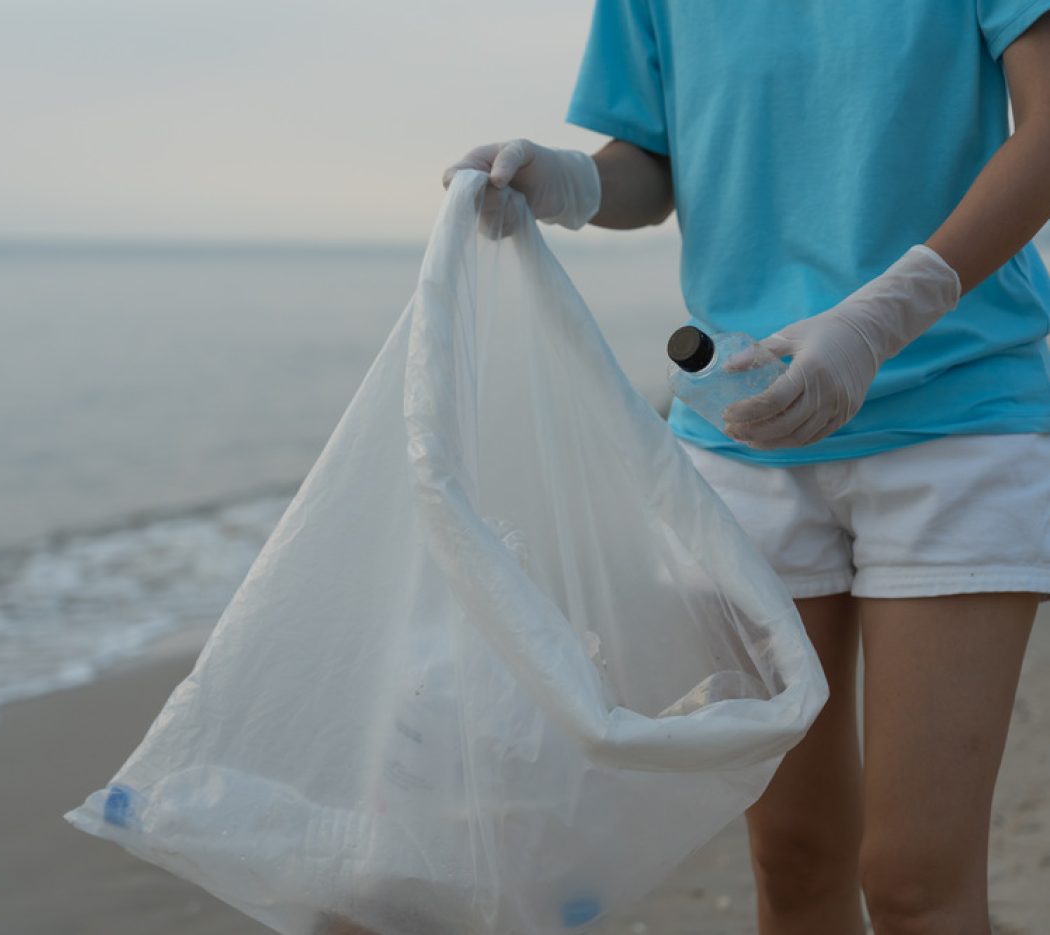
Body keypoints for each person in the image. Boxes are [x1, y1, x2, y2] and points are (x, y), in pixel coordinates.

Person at [445, 4, 1050, 935]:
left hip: (955, 419)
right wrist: (569, 180)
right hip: (745, 431)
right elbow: (656, 156)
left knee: (914, 881)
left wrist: (882, 317)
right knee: (794, 859)